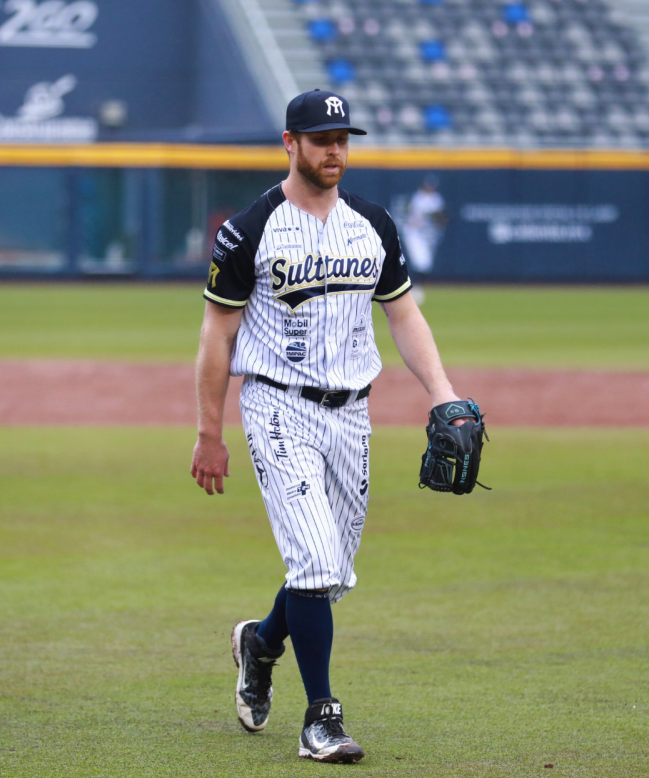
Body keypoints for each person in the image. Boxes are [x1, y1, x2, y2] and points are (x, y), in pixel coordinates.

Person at [190, 89, 466, 764]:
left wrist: (444, 396)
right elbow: (215, 335)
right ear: (290, 143)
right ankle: (323, 717)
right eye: (320, 138)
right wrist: (209, 432)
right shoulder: (250, 228)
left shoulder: (372, 224)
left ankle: (261, 641)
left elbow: (403, 315)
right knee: (314, 561)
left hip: (351, 413)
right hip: (277, 404)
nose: (335, 149)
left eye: (342, 138)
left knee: (330, 572)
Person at [400, 175, 447, 304]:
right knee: (420, 262)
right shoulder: (418, 197)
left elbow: (441, 218)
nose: (430, 189)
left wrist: (438, 218)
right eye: (428, 186)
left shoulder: (436, 199)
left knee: (425, 264)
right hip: (414, 233)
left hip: (428, 236)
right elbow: (409, 212)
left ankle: (414, 287)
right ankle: (412, 288)